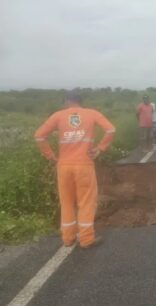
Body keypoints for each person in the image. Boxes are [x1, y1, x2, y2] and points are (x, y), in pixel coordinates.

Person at [34, 91, 115, 248]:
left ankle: (68, 238)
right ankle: (86, 239)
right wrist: (100, 148)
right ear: (80, 101)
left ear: (66, 101)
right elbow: (111, 130)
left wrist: (50, 156)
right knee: (86, 202)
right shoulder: (92, 114)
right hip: (84, 165)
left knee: (67, 202)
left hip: (63, 166)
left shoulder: (58, 116)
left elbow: (38, 136)